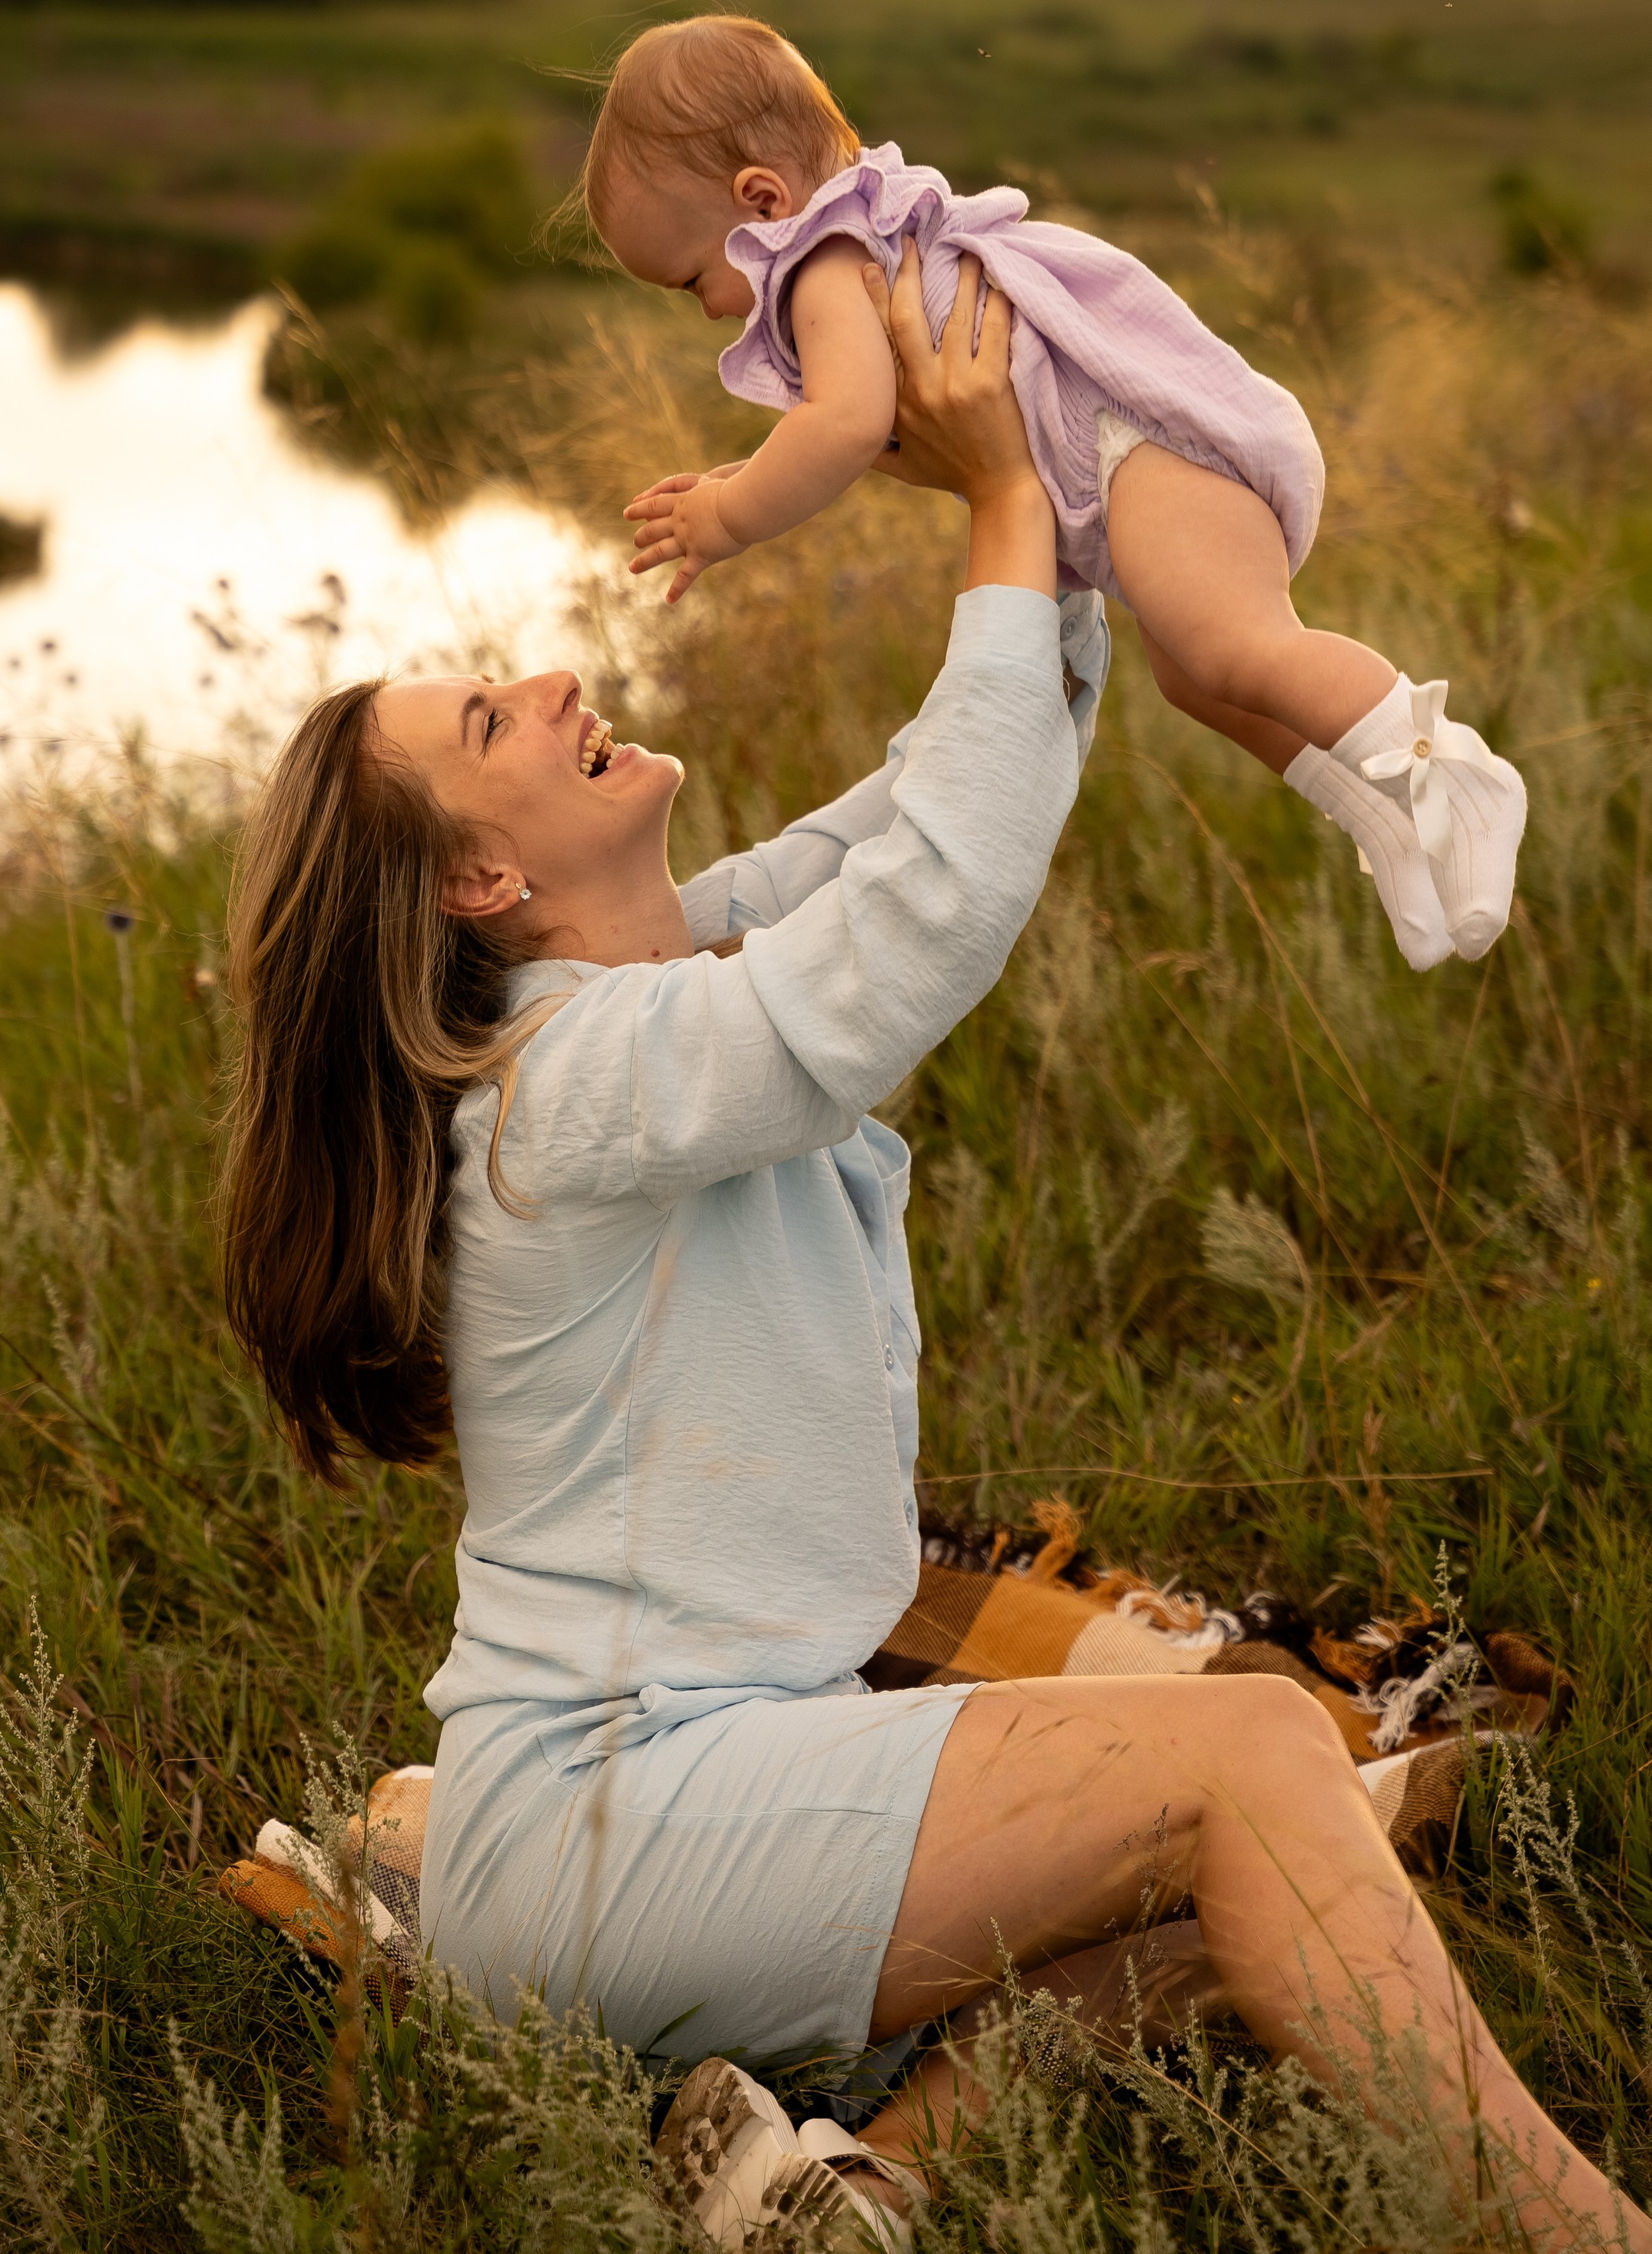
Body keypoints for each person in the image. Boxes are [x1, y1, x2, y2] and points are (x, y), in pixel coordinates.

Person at [219, 258, 1637, 2253]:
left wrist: (1058, 498)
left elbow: (936, 815)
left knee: (1265, 1854)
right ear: (483, 875)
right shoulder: (566, 1086)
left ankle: (867, 2198)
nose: (551, 681)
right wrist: (987, 515)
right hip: (623, 1825)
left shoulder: (673, 967)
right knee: (1249, 1754)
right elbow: (926, 925)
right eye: (492, 717)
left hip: (716, 1777)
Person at [588, 12, 1525, 975]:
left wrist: (729, 517)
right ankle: (1388, 820)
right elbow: (845, 421)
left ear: (760, 197)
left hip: (1129, 448)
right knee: (1192, 677)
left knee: (1232, 648)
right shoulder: (857, 236)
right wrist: (742, 474)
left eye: (690, 276)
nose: (701, 305)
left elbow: (847, 425)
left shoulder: (822, 262)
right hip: (1116, 475)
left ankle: (1455, 772)